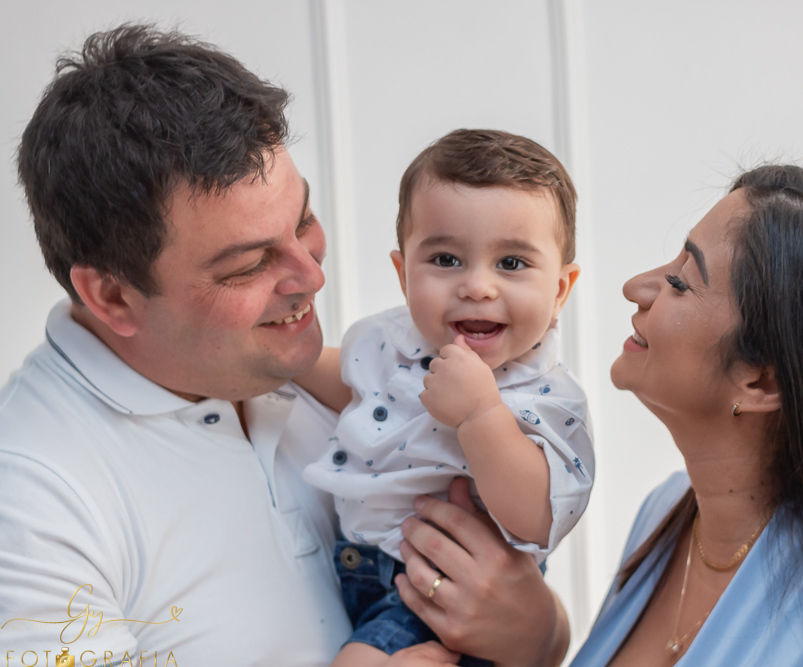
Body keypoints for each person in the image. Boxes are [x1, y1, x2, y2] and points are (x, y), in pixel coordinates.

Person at [0, 24, 568, 667]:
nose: (311, 276)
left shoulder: (323, 373)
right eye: (248, 264)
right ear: (112, 297)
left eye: (303, 221)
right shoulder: (32, 502)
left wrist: (537, 633)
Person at [404, 164, 803, 666]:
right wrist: (537, 640)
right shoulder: (665, 516)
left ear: (762, 380)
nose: (637, 286)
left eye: (681, 281)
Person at [295, 129, 594, 667]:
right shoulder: (389, 340)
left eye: (511, 263)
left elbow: (538, 516)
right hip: (359, 565)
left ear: (559, 291)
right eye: (447, 259)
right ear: (403, 274)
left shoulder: (546, 397)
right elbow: (350, 381)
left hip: (444, 591)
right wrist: (287, 365)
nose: (477, 286)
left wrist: (482, 413)